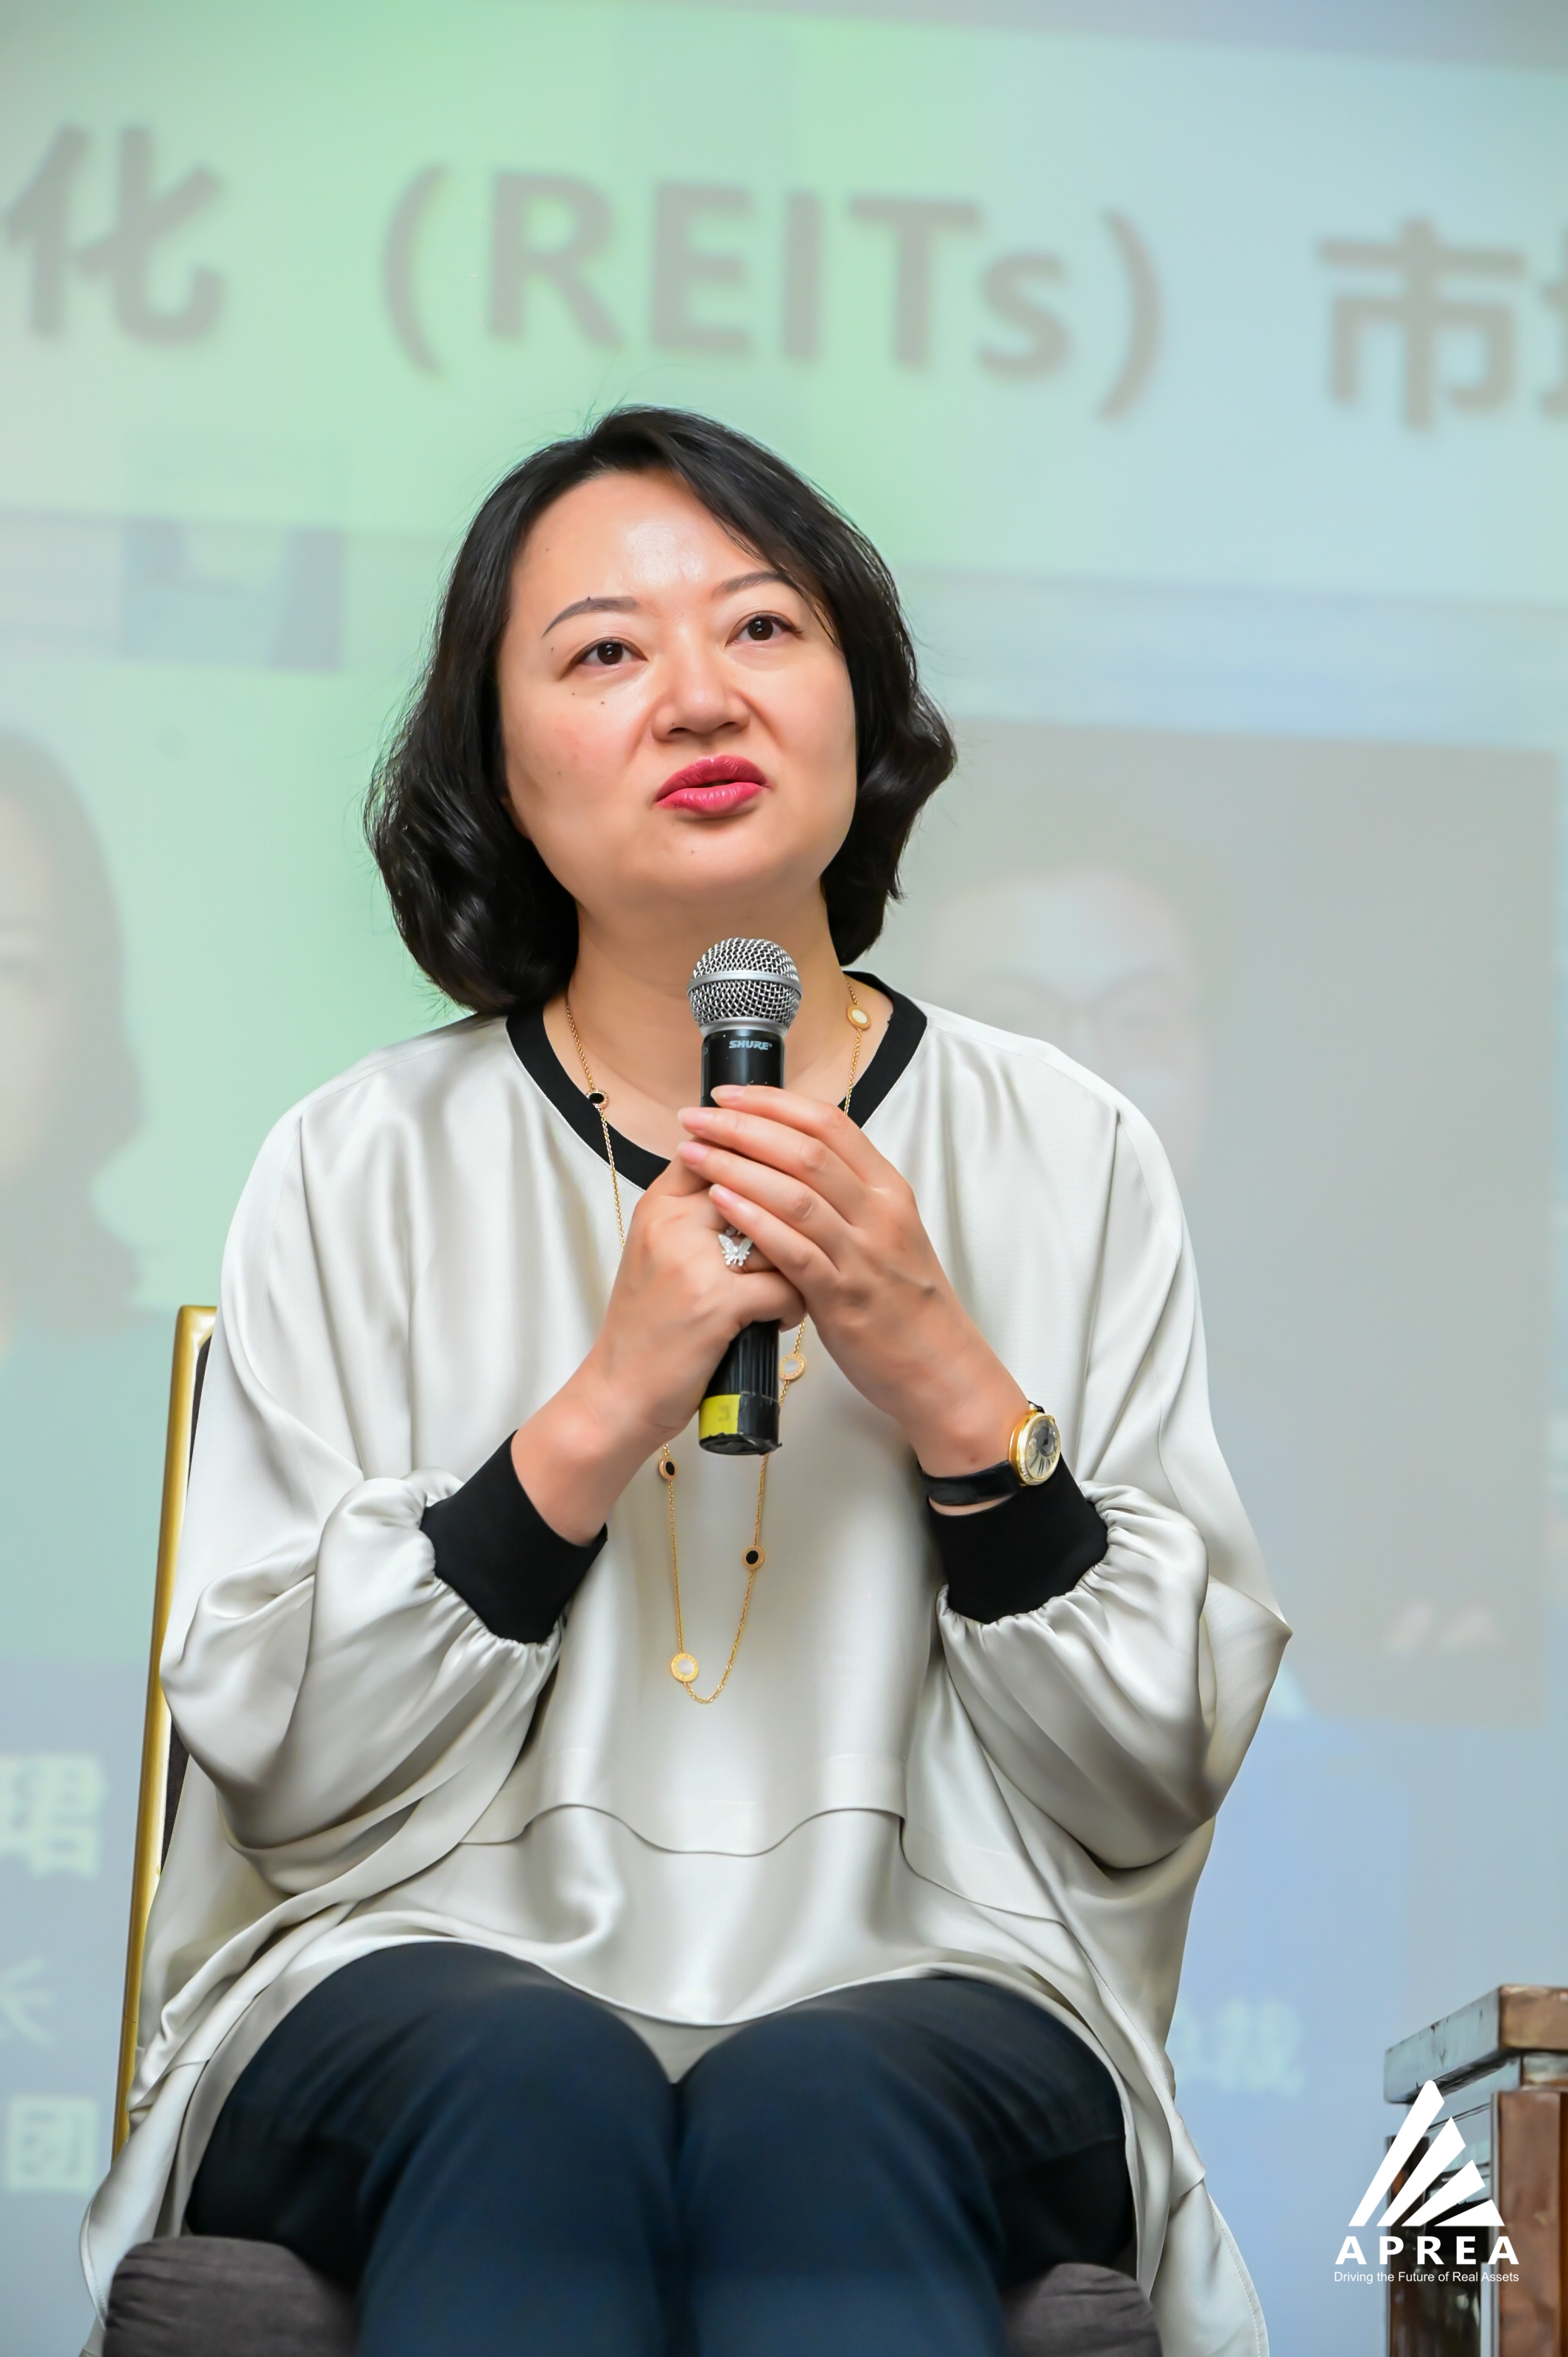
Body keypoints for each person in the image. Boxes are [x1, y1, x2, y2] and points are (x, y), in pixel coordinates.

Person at [81, 410, 1287, 2357]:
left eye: (761, 627)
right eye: (603, 652)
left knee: (820, 2095)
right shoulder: (360, 1156)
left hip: (947, 1974)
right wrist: (599, 1411)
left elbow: (1148, 1763)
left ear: (856, 700)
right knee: (533, 2073)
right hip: (408, 1963)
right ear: (496, 766)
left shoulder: (1066, 1150)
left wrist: (944, 1379)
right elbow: (283, 1766)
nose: (699, 697)